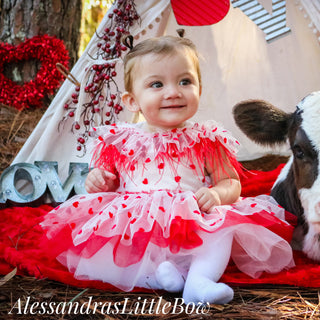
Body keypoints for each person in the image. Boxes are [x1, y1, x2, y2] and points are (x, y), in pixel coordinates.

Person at [40, 34, 294, 305]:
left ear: (199, 88)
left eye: (185, 81)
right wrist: (98, 180)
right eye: (157, 84)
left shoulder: (206, 139)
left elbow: (231, 181)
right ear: (132, 101)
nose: (173, 92)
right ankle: (157, 278)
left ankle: (199, 280)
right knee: (113, 251)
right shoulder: (120, 140)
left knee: (222, 230)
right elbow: (106, 180)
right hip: (139, 221)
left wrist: (219, 195)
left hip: (193, 217)